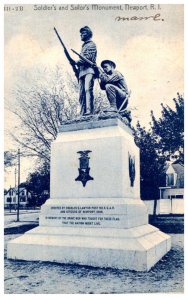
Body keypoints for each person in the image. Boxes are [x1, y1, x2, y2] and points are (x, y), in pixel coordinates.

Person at [76, 26, 97, 116]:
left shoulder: (91, 44)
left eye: (83, 33)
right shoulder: (83, 46)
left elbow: (88, 58)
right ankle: (82, 112)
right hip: (81, 72)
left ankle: (89, 111)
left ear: (88, 34)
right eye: (81, 33)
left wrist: (77, 62)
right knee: (81, 93)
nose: (81, 35)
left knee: (88, 90)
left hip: (89, 70)